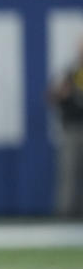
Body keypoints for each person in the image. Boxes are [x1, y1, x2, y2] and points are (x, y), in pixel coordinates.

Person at [50, 40, 83, 217]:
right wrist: (63, 92)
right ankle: (65, 214)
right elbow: (52, 95)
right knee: (69, 172)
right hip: (72, 128)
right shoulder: (69, 72)